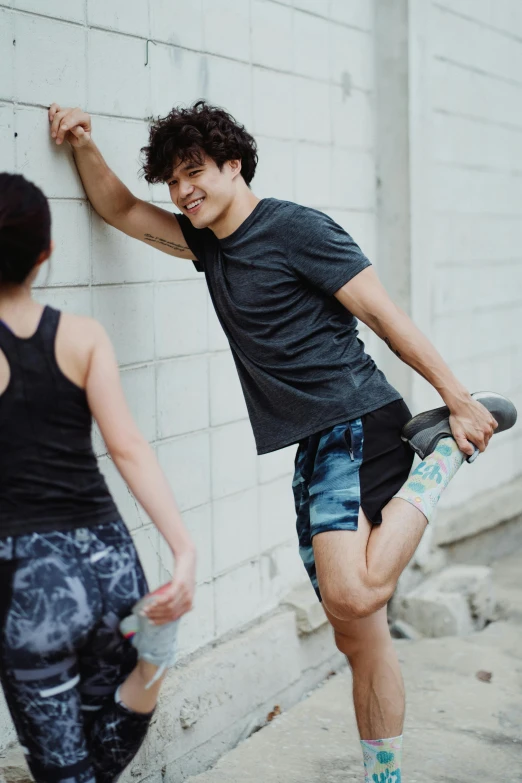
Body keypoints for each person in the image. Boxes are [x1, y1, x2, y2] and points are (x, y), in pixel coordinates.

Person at [47, 101, 516, 783]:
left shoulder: (297, 229)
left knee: (353, 596)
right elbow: (120, 209)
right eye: (173, 182)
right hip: (314, 442)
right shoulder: (208, 244)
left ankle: (439, 458)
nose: (183, 192)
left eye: (195, 172)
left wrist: (458, 398)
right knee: (359, 630)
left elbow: (383, 314)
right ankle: (384, 776)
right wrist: (84, 142)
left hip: (357, 421)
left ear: (234, 165)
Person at [0, 173, 197, 783]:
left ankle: (149, 668)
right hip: (110, 562)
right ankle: (149, 668)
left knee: (66, 771)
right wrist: (182, 549)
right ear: (45, 253)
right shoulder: (83, 336)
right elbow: (130, 448)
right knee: (99, 756)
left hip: (30, 579)